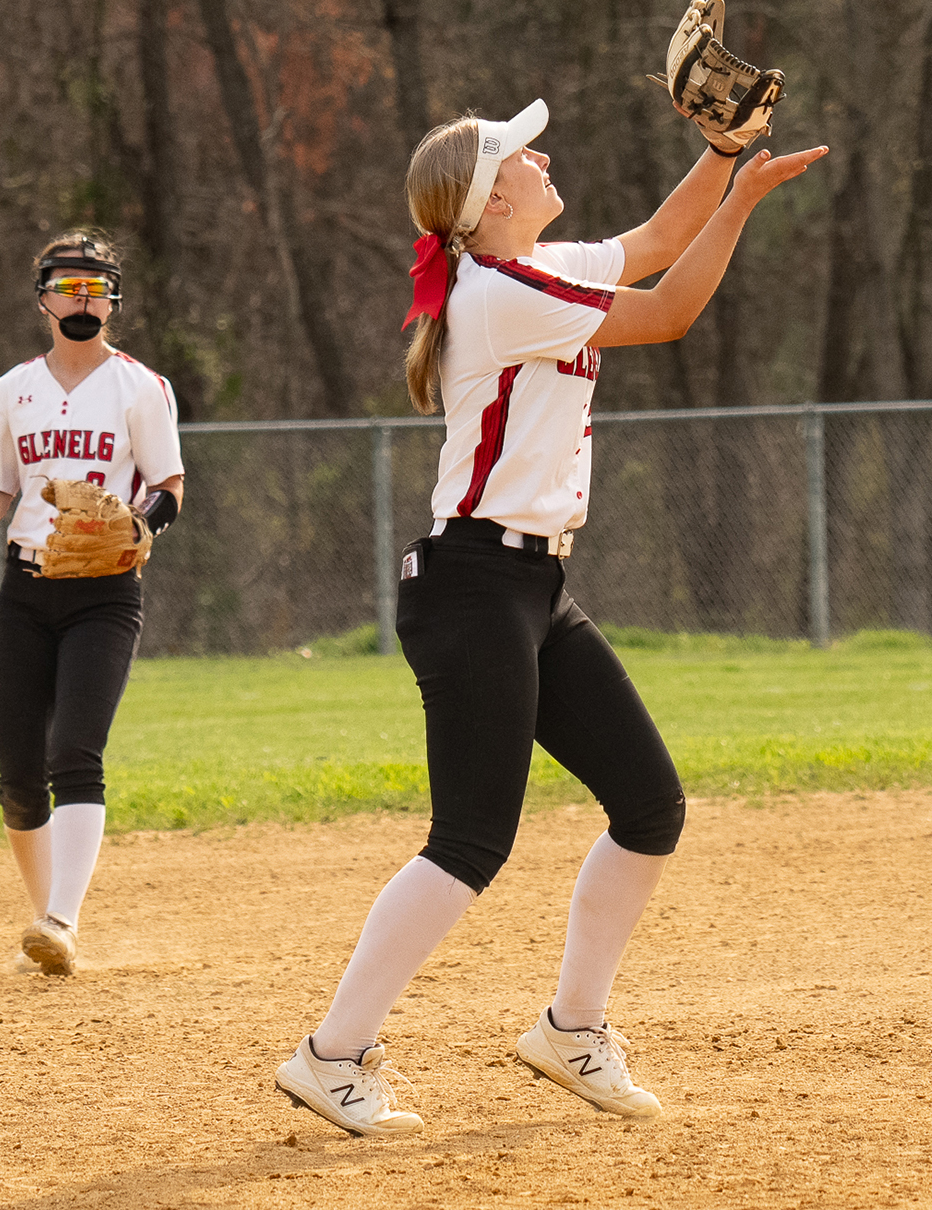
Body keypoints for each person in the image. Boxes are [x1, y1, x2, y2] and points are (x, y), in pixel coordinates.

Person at [273, 99, 827, 1135]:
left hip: (531, 589)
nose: (538, 158)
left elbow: (658, 243)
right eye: (516, 156)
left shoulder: (535, 268)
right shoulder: (497, 292)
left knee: (649, 805)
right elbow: (668, 310)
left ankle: (573, 1031)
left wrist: (718, 153)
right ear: (485, 204)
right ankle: (331, 1053)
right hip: (472, 586)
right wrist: (743, 194)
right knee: (471, 839)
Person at [0, 232, 186, 976]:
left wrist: (141, 524)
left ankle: (61, 917)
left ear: (114, 299)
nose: (82, 301)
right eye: (68, 287)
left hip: (105, 590)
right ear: (42, 297)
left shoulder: (140, 387)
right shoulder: (13, 388)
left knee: (74, 752)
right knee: (18, 775)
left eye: (96, 288)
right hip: (25, 588)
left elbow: (169, 485)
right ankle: (46, 917)